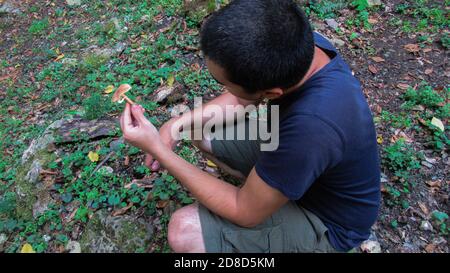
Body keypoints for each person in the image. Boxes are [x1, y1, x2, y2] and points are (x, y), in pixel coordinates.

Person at [119, 0, 380, 253]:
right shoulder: (296, 42)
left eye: (224, 82)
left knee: (184, 231)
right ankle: (268, 191)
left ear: (272, 92)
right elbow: (241, 97)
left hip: (327, 221)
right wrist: (175, 125)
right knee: (200, 128)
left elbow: (244, 212)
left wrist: (159, 149)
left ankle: (274, 203)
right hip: (300, 160)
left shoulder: (312, 130)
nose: (222, 88)